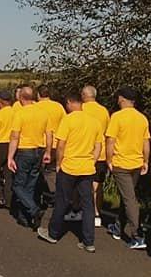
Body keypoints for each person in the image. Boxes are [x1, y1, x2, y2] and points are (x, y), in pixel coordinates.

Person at [37, 91, 104, 253]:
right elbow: (98, 146)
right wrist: (92, 161)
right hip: (87, 167)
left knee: (62, 200)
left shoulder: (68, 120)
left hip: (69, 166)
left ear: (69, 102)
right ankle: (89, 241)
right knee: (87, 205)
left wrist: (59, 163)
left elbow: (60, 146)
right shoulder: (94, 122)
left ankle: (53, 233)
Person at [105, 87, 150, 249]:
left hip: (121, 163)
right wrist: (145, 161)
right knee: (127, 195)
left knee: (129, 199)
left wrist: (109, 160)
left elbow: (110, 141)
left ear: (122, 99)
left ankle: (137, 234)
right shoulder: (142, 118)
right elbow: (146, 142)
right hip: (136, 163)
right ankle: (118, 226)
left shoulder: (117, 117)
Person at [7, 85, 51, 230]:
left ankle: (33, 209)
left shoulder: (20, 113)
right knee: (30, 184)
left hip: (24, 150)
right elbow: (49, 133)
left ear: (21, 98)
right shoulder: (43, 113)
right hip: (39, 149)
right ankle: (25, 216)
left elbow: (14, 136)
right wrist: (48, 151)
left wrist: (10, 157)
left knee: (18, 184)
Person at [81, 85, 110, 228]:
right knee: (98, 185)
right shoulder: (103, 111)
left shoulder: (82, 109)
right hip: (102, 153)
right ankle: (97, 213)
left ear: (84, 96)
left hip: (85, 152)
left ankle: (85, 212)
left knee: (84, 184)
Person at [35, 85, 66, 218]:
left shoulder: (36, 108)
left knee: (38, 173)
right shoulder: (58, 107)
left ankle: (42, 198)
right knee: (52, 172)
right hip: (56, 144)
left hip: (41, 143)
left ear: (38, 94)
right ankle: (55, 195)